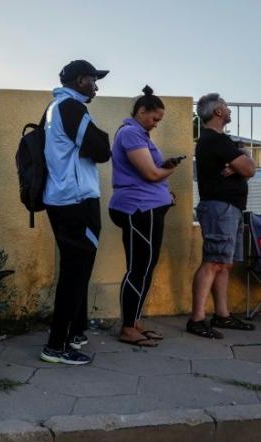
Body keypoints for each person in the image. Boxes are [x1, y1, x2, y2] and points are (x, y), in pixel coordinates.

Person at [40, 60, 112, 365]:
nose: (96, 86)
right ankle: (56, 345)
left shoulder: (54, 108)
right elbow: (101, 150)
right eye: (94, 80)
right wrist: (102, 135)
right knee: (75, 273)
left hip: (62, 200)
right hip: (76, 202)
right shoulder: (72, 108)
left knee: (75, 270)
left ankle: (74, 332)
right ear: (81, 80)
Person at [109, 86, 183, 347]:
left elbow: (152, 174)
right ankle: (128, 327)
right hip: (138, 209)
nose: (155, 124)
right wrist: (169, 171)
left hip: (148, 207)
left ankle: (135, 321)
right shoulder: (130, 133)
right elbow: (150, 175)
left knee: (146, 267)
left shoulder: (141, 135)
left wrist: (165, 193)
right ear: (141, 111)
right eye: (154, 118)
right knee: (138, 269)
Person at [189, 93, 256, 338]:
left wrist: (241, 159)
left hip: (229, 207)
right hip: (220, 208)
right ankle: (196, 319)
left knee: (223, 264)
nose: (229, 111)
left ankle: (222, 315)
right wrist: (241, 161)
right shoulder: (213, 140)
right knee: (214, 261)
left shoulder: (220, 141)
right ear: (218, 112)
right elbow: (249, 168)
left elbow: (247, 164)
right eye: (226, 107)